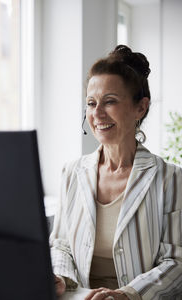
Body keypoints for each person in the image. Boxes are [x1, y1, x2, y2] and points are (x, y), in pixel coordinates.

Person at [50, 45, 182, 300]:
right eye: (91, 103)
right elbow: (61, 245)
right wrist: (61, 277)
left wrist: (126, 295)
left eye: (109, 101)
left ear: (140, 108)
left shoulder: (171, 179)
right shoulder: (71, 173)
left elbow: (177, 262)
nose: (97, 113)